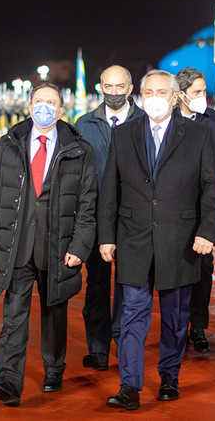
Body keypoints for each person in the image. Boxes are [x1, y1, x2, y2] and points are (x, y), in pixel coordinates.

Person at [99, 70, 215, 410]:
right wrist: (106, 236)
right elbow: (110, 189)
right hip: (133, 239)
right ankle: (129, 386)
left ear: (174, 97)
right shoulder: (123, 134)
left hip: (181, 241)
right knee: (132, 314)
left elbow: (211, 188)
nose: (153, 97)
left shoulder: (198, 135)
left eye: (160, 91)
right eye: (147, 91)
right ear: (140, 95)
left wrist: (207, 231)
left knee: (174, 315)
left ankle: (170, 375)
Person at [0, 83, 97, 407]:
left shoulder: (79, 149)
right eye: (38, 101)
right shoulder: (9, 144)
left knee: (54, 312)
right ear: (30, 107)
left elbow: (87, 205)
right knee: (13, 316)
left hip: (57, 245)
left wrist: (80, 246)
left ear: (61, 110)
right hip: (16, 244)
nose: (43, 107)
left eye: (51, 103)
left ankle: (54, 367)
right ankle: (8, 381)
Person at [75, 65, 145, 372]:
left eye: (120, 87)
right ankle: (98, 347)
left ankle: (122, 338)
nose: (114, 93)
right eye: (108, 87)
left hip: (134, 216)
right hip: (94, 215)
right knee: (98, 282)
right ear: (99, 87)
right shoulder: (84, 124)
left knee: (128, 283)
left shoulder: (145, 121)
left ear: (130, 89)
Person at [175, 66, 215, 353]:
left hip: (202, 208)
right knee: (174, 268)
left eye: (204, 91)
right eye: (196, 92)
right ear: (180, 94)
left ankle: (198, 326)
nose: (202, 97)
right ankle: (176, 327)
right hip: (171, 208)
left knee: (203, 267)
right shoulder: (167, 119)